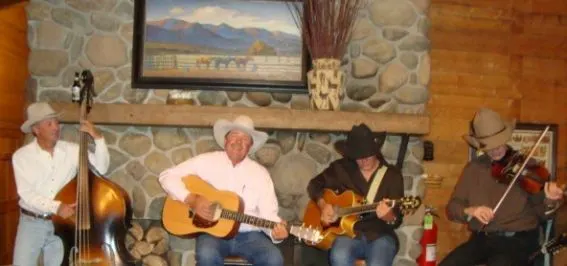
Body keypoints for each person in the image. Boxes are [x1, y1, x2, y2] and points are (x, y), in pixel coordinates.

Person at [439, 108, 564, 266]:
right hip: (483, 239)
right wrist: (471, 211)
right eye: (488, 146)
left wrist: (551, 200)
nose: (495, 149)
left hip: (519, 240)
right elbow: (452, 207)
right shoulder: (474, 168)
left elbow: (544, 214)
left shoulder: (528, 167)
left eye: (498, 143)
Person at [158, 115, 288, 266]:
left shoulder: (261, 174)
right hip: (212, 234)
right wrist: (191, 199)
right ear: (226, 141)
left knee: (274, 259)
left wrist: (276, 233)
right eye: (234, 136)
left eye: (245, 139)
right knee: (207, 255)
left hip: (250, 235)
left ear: (250, 146)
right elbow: (167, 176)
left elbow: (268, 214)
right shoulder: (206, 161)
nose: (239, 142)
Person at [12, 102, 109, 266]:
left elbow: (101, 168)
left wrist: (97, 137)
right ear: (36, 129)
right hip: (31, 223)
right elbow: (26, 193)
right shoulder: (21, 156)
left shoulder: (72, 150)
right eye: (49, 124)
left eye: (56, 122)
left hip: (61, 224)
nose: (56, 127)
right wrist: (56, 206)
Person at [306, 123, 404, 266]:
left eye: (367, 156)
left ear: (376, 151)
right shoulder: (341, 169)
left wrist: (388, 216)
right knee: (339, 256)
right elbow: (314, 185)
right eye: (358, 157)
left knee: (378, 263)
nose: (363, 161)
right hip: (346, 234)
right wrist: (323, 205)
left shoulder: (392, 176)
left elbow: (397, 220)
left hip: (379, 235)